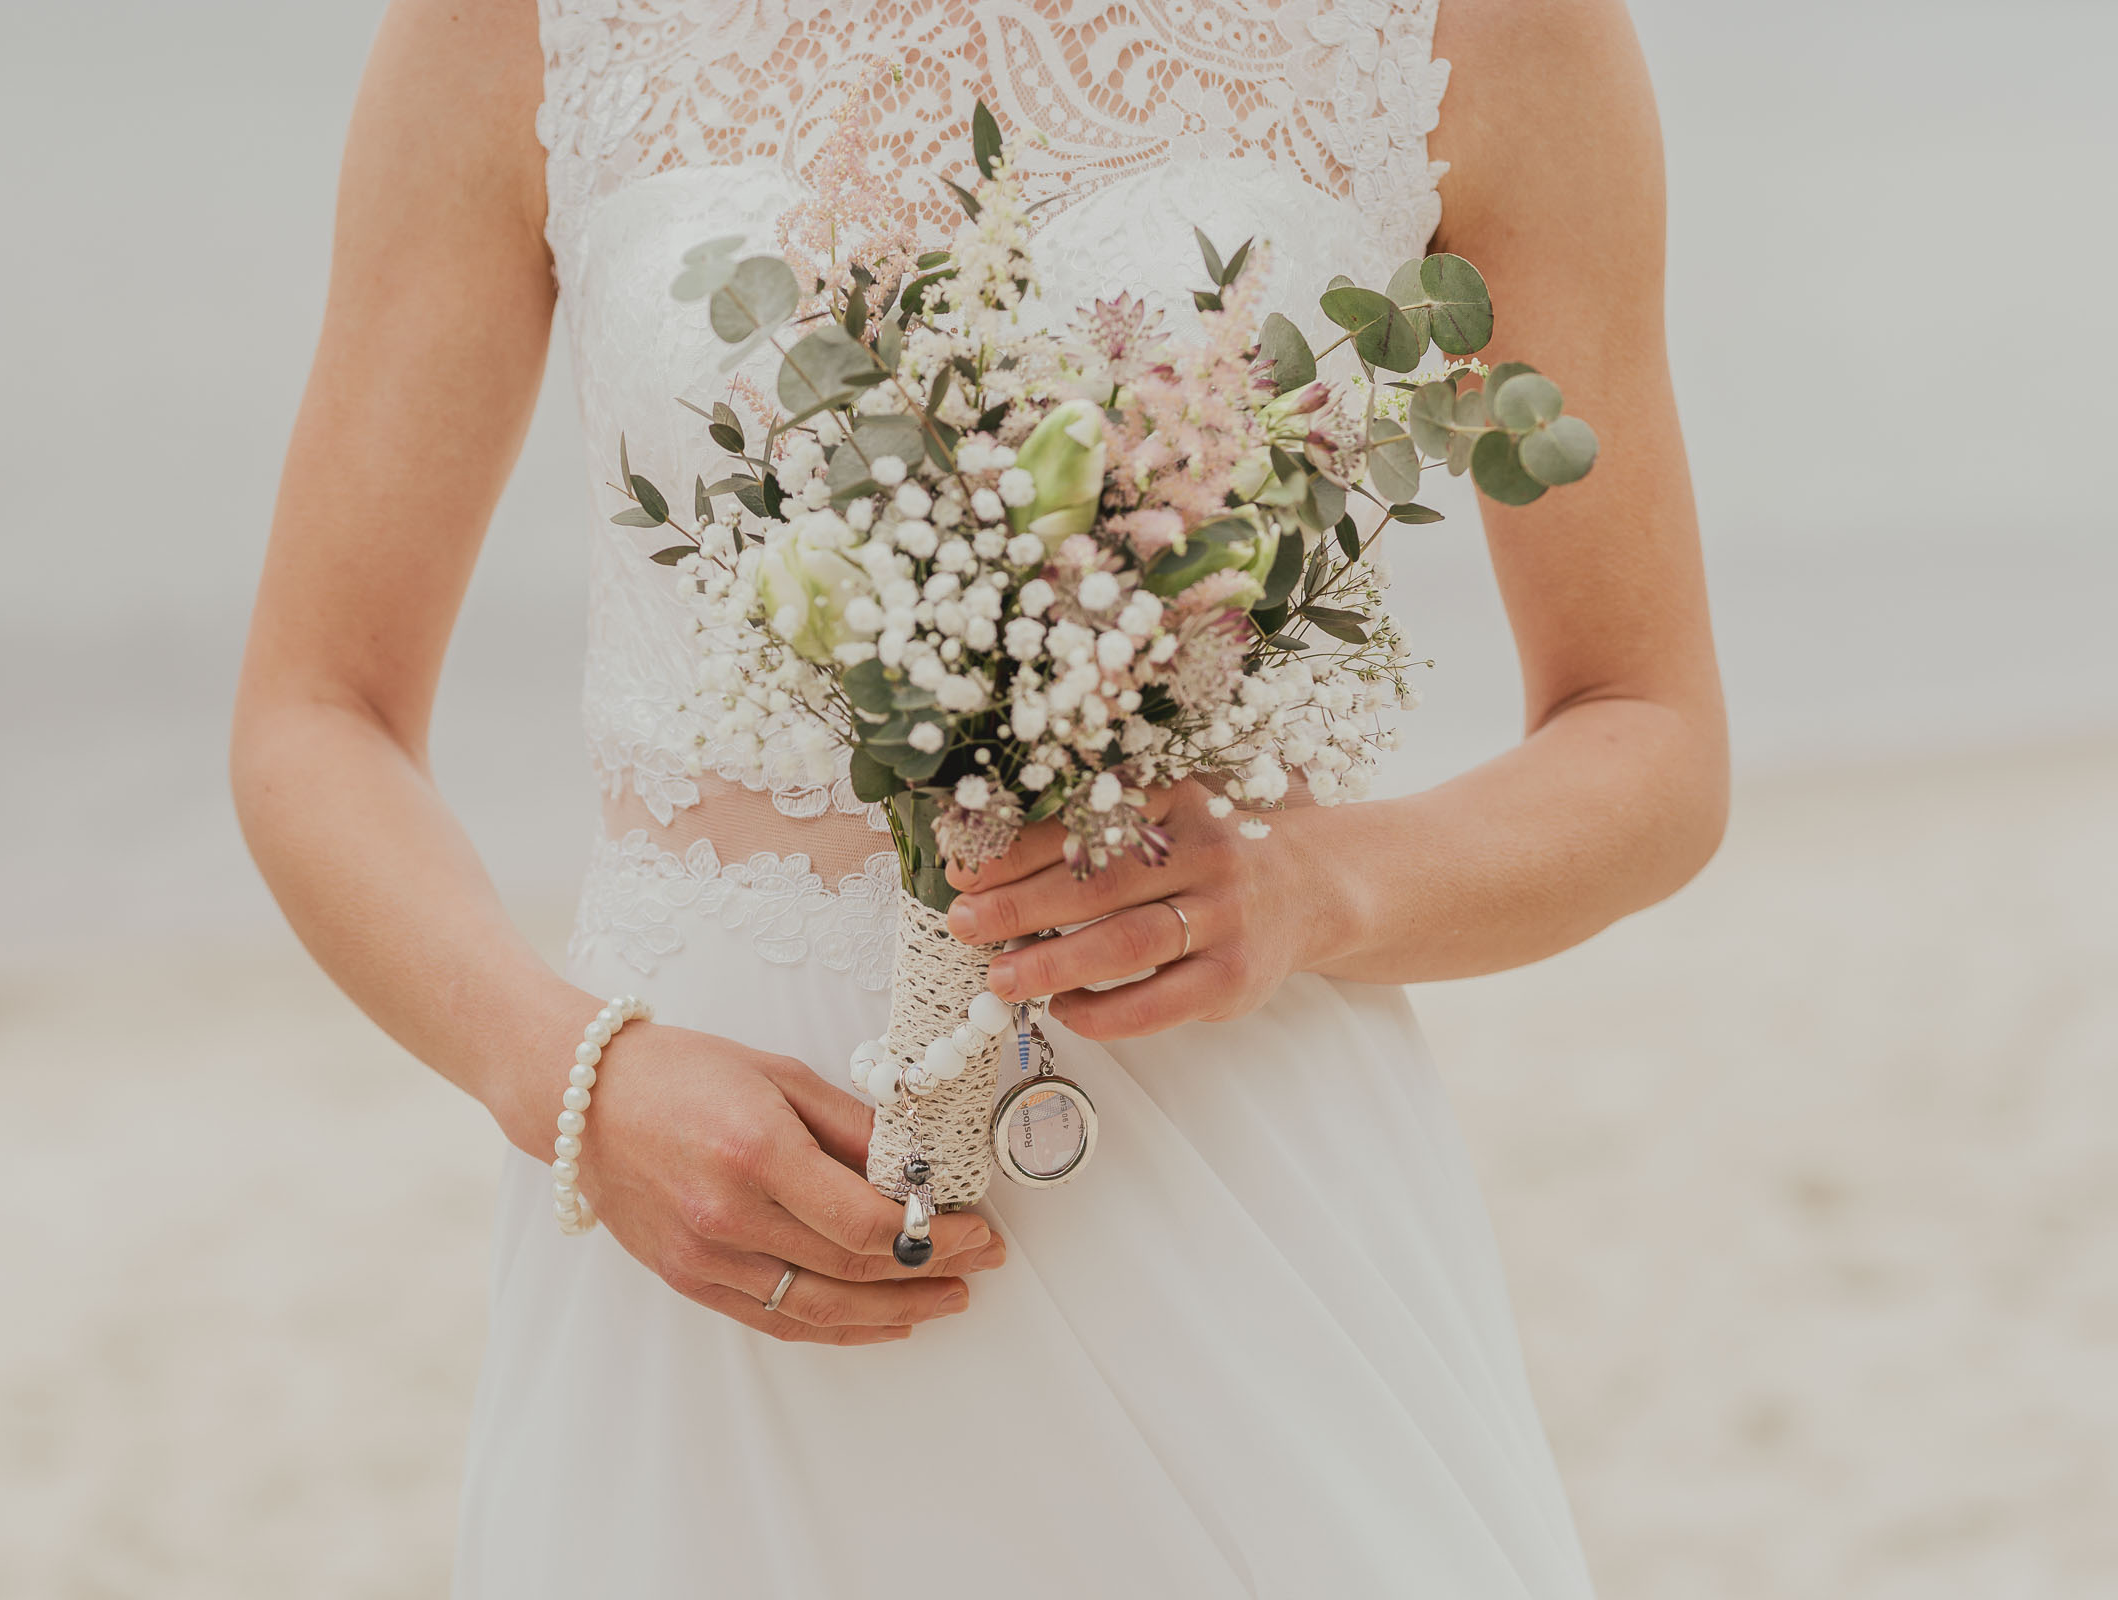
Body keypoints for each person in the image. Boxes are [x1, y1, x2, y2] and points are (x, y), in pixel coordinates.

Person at [231, 0, 1722, 1592]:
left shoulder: (1485, 27)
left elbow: (1649, 735)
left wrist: (1315, 888)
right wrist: (569, 1086)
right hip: (706, 1232)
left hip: (1226, 1210)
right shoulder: (521, 23)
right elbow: (317, 715)